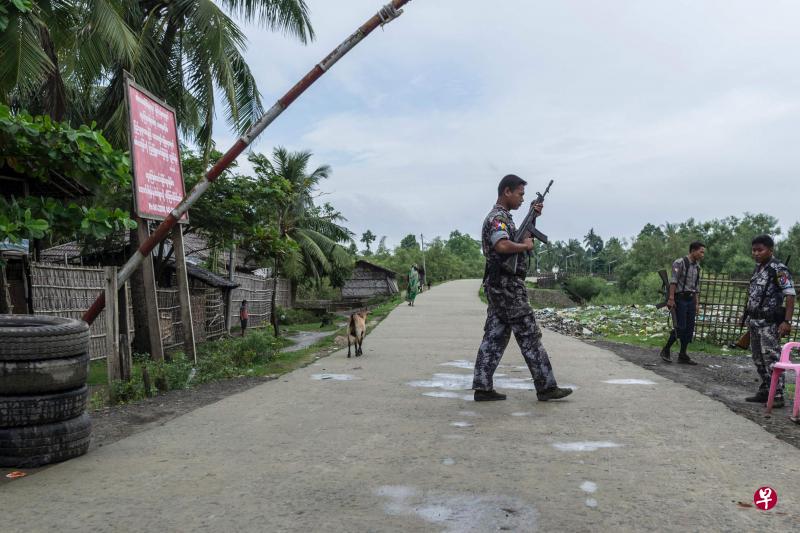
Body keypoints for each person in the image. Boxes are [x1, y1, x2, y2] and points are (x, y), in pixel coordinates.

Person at [472, 174, 573, 402]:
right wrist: (525, 245)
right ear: (507, 191)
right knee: (529, 334)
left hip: (500, 285)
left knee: (495, 336)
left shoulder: (505, 218)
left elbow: (516, 237)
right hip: (507, 286)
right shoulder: (497, 219)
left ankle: (482, 386)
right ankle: (546, 386)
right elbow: (502, 244)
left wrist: (533, 217)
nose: (521, 198)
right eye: (520, 193)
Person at [744, 235, 795, 407]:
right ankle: (767, 389)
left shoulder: (778, 269)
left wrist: (787, 321)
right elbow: (754, 294)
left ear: (770, 250)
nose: (756, 253)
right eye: (754, 250)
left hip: (769, 323)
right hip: (754, 320)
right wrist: (745, 315)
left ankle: (778, 394)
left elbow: (790, 295)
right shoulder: (758, 268)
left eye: (760, 250)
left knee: (772, 359)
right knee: (757, 358)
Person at [659, 242, 706, 365]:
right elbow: (673, 282)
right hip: (680, 298)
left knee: (689, 328)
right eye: (701, 252)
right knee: (680, 326)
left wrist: (697, 303)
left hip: (691, 299)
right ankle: (666, 349)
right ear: (693, 251)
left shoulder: (697, 267)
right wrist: (671, 298)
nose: (702, 254)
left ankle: (683, 354)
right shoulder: (679, 263)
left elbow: (696, 287)